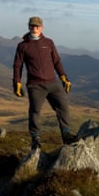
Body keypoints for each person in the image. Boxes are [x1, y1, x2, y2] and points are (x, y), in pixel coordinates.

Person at [13, 16, 78, 149]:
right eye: (32, 26)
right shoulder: (22, 46)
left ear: (42, 28)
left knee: (63, 107)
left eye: (37, 26)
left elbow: (56, 61)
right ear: (29, 27)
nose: (34, 28)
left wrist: (64, 78)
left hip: (53, 83)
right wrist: (17, 83)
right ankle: (35, 139)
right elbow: (17, 66)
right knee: (35, 112)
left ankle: (66, 135)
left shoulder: (48, 43)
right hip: (35, 85)